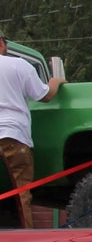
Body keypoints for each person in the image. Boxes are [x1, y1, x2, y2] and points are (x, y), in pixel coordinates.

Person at [0, 32, 65, 228]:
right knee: (21, 192)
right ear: (2, 45)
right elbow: (43, 96)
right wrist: (56, 81)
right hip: (13, 136)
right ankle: (24, 240)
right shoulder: (18, 65)